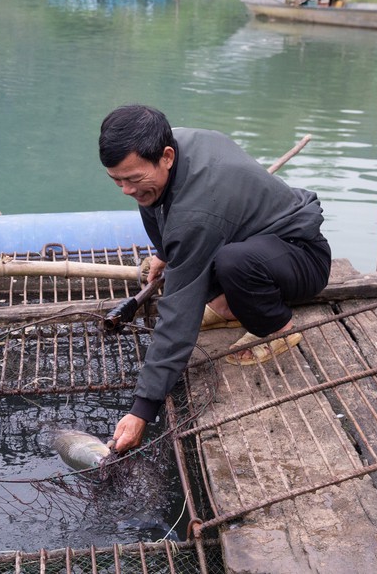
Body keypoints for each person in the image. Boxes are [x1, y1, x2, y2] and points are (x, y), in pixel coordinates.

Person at [98, 105, 332, 453]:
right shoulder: (171, 143)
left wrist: (142, 408)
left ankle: (278, 327)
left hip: (301, 257)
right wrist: (164, 252)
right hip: (255, 240)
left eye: (131, 179)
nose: (125, 190)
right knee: (174, 217)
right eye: (116, 180)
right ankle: (229, 305)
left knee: (231, 263)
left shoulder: (198, 208)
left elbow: (179, 310)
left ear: (166, 156)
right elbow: (155, 203)